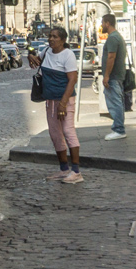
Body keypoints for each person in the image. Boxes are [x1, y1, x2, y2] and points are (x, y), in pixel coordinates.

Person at [29, 26, 83, 183]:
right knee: (55, 135)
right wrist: (31, 57)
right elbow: (36, 61)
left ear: (63, 40)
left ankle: (76, 172)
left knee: (68, 132)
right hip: (50, 101)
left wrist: (63, 103)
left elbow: (72, 79)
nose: (51, 39)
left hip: (65, 100)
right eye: (50, 36)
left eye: (55, 37)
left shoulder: (68, 55)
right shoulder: (46, 52)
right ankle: (63, 169)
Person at [100, 14, 128, 140]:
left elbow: (111, 57)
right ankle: (119, 128)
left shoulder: (112, 38)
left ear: (107, 23)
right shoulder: (118, 37)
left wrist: (106, 76)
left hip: (113, 76)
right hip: (117, 75)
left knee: (115, 103)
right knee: (117, 102)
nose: (101, 25)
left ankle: (119, 130)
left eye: (102, 23)